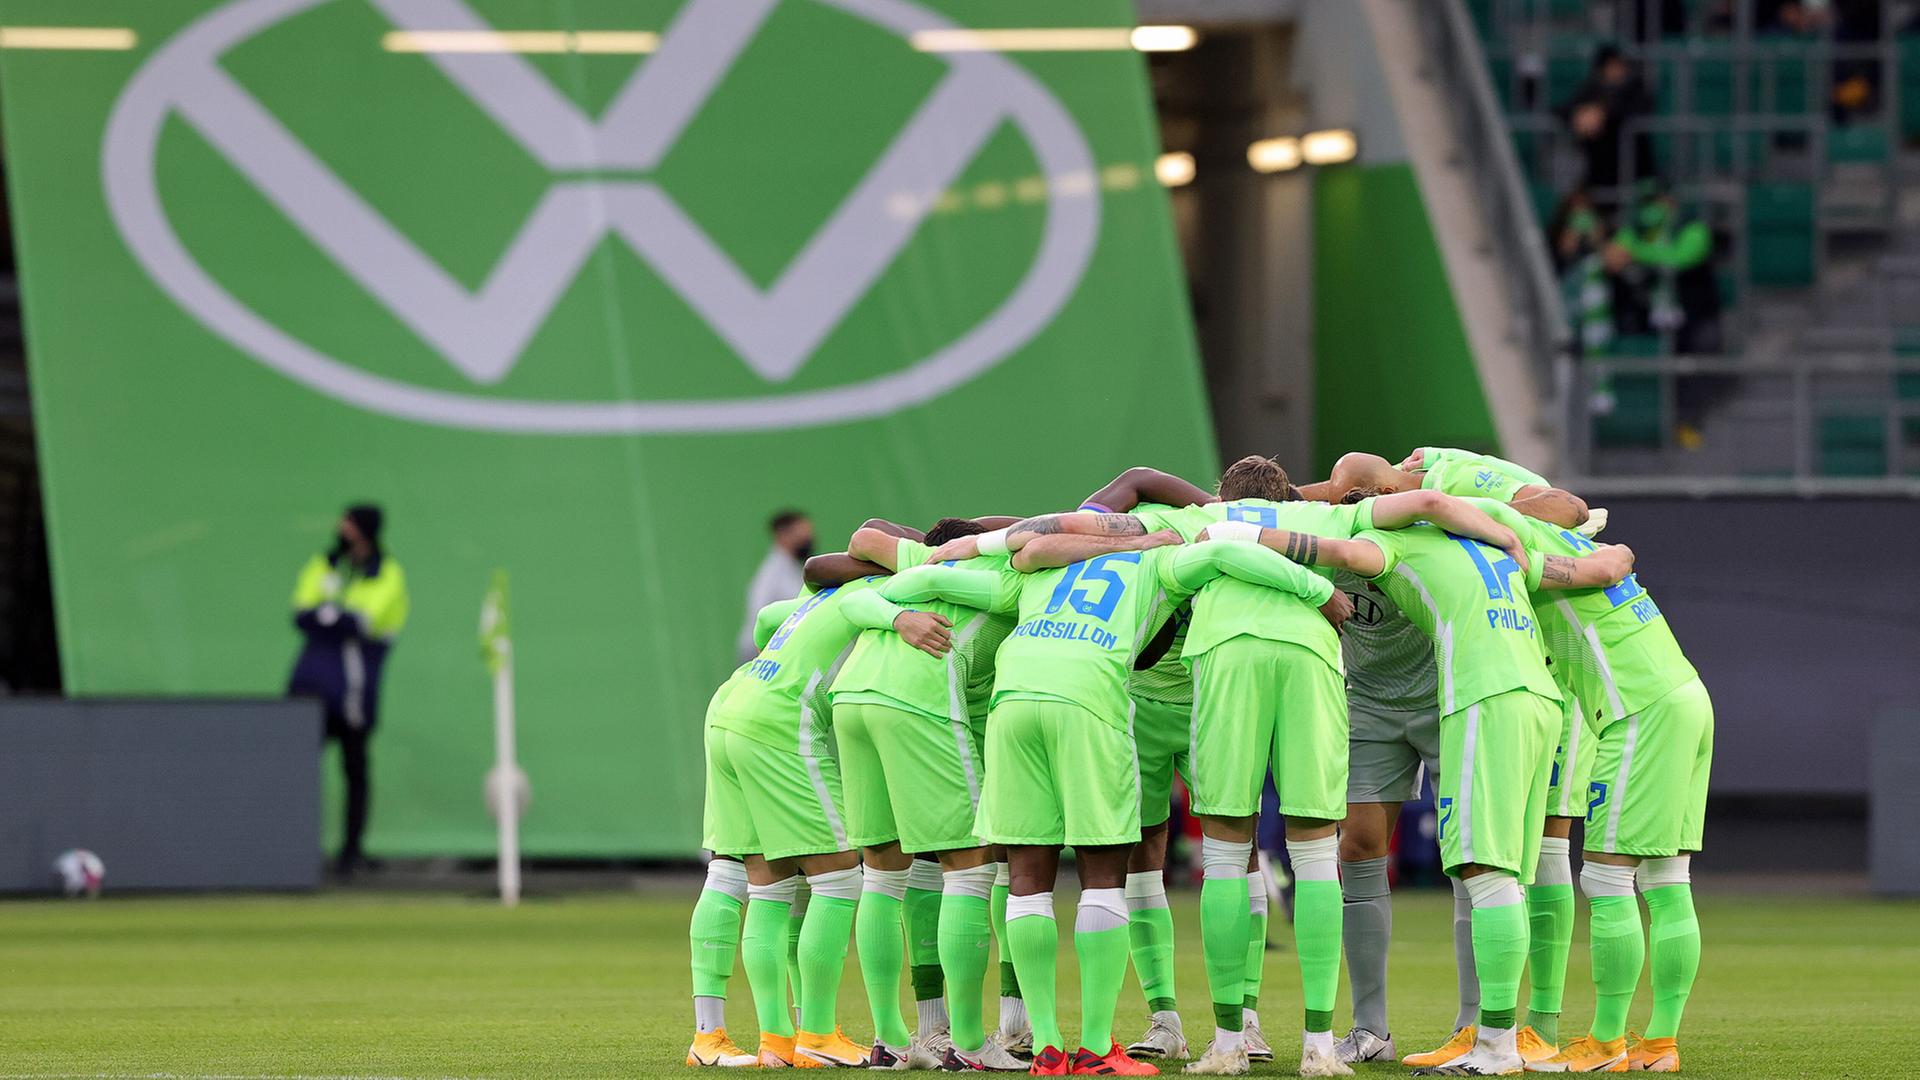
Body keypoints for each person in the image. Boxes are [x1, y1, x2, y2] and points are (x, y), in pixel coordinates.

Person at [881, 527, 1337, 1077]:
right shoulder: (1159, 562)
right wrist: (1317, 589)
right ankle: (1096, 1048)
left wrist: (897, 611)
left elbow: (920, 581)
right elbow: (1223, 551)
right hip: (1089, 699)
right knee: (1103, 873)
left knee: (1026, 876)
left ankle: (1046, 1046)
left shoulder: (1033, 570)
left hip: (1014, 700)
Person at [1238, 503, 1634, 1076]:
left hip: (1450, 697)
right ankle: (1371, 1028)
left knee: (1471, 858)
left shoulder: (1426, 540)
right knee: (1357, 848)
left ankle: (1473, 1025)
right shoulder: (1326, 536)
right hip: (1370, 705)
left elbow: (1557, 507)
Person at [701, 566, 945, 1068]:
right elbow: (855, 605)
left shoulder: (808, 602)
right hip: (780, 725)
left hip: (734, 705)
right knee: (837, 879)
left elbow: (765, 620)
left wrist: (786, 651)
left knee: (765, 886)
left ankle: (775, 1041)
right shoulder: (867, 593)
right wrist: (899, 619)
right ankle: (817, 1034)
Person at [810, 516, 1028, 1071]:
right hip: (920, 700)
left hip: (852, 699)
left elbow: (850, 590)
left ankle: (891, 1039)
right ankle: (972, 1044)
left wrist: (898, 614)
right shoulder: (1008, 581)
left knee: (882, 872)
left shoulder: (920, 564)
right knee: (971, 863)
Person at [1520, 527, 1711, 1075]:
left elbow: (1603, 565)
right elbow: (1609, 551)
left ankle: (1606, 1043)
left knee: (1606, 879)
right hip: (1687, 696)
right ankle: (1660, 1043)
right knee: (1668, 880)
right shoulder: (1580, 547)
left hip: (1638, 712)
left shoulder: (1525, 566)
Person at [286, 504, 409, 878]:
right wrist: (330, 618)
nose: (341, 529)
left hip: (355, 690)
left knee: (355, 769)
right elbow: (300, 612)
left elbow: (361, 622)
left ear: (364, 530)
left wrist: (327, 617)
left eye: (349, 524)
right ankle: (290, 850)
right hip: (310, 685)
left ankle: (351, 852)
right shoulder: (325, 565)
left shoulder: (387, 572)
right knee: (296, 768)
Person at [1556, 44, 1655, 197]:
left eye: (1619, 65)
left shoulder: (1636, 89)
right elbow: (1562, 110)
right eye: (1611, 65)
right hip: (1599, 171)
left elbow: (1638, 110)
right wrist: (1578, 115)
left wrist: (1602, 114)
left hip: (1637, 168)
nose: (1616, 70)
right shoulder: (1591, 89)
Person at [737, 510, 814, 662]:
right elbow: (759, 613)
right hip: (763, 652)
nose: (809, 539)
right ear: (783, 536)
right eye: (803, 534)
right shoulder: (772, 573)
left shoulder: (792, 568)